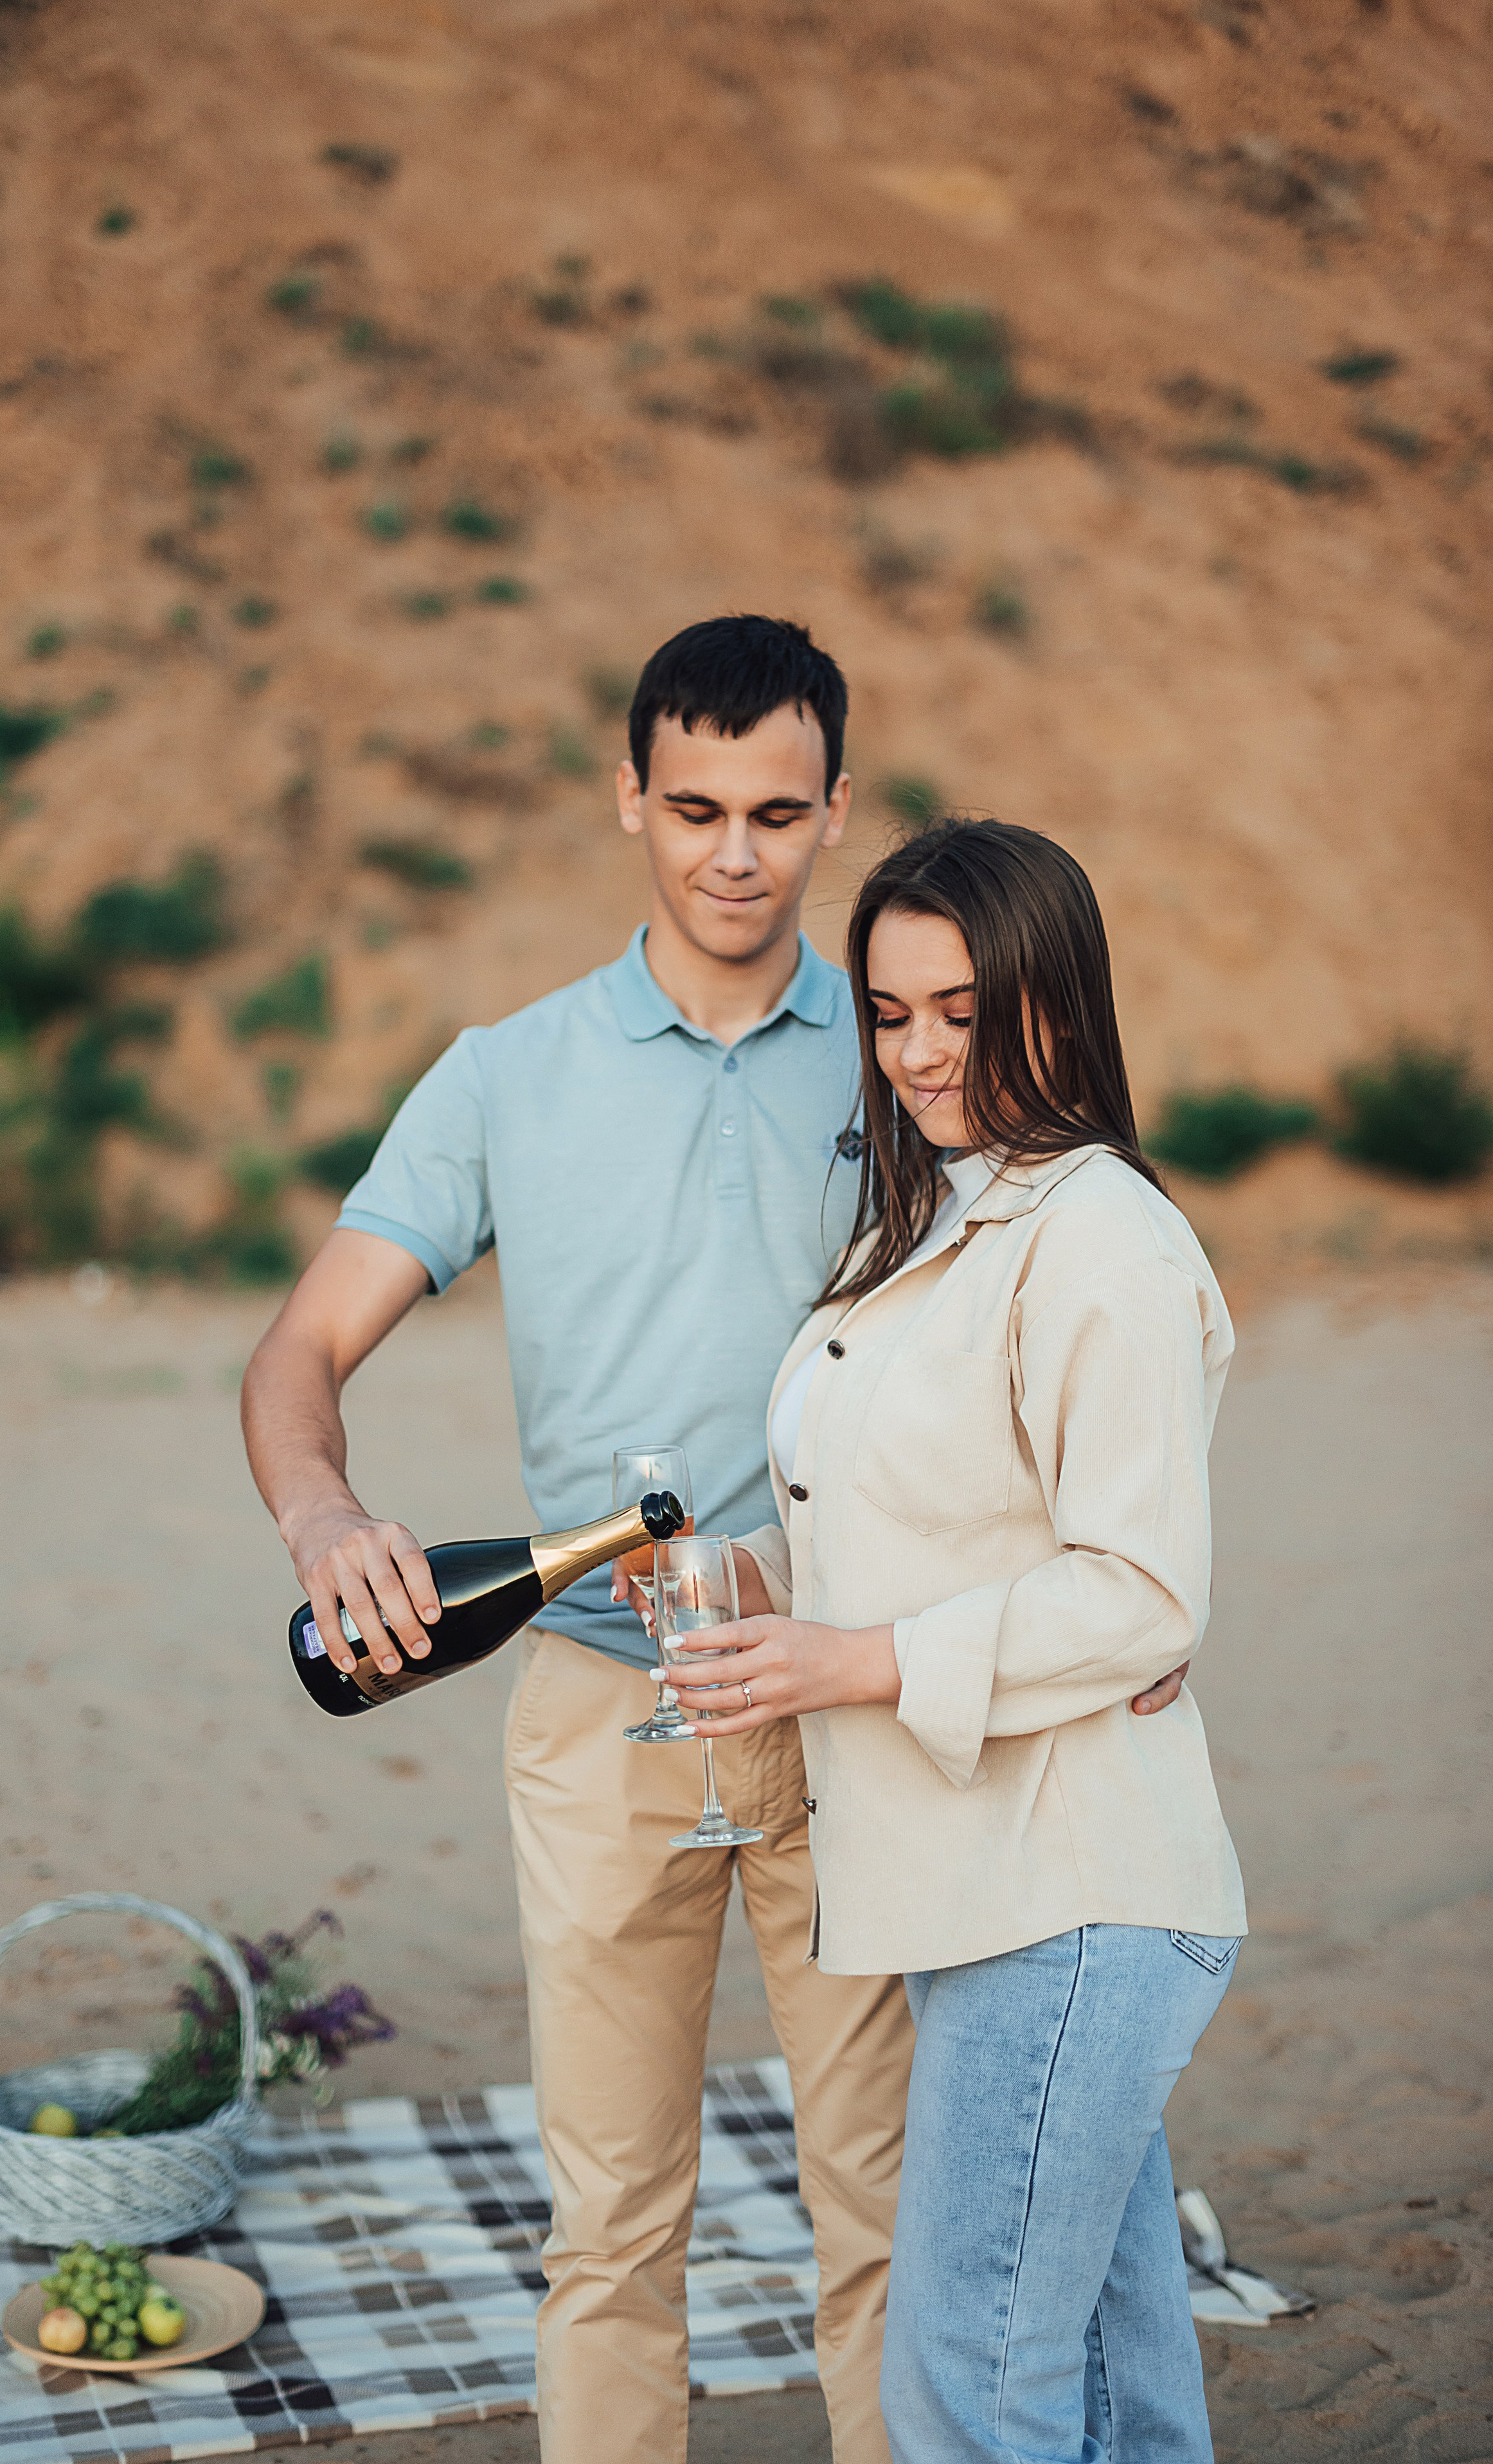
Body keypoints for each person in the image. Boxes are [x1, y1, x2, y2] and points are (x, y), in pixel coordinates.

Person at [242, 616, 920, 2464]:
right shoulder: (503, 1074)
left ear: (837, 812)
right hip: (593, 1712)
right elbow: (300, 1347)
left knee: (888, 2218)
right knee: (612, 2227)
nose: (732, 852)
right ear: (628, 793)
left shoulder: (899, 1058)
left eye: (779, 812)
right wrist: (324, 1508)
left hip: (849, 1706)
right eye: (693, 805)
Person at [658, 817, 1247, 2464]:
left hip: (1072, 1898)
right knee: (1118, 2390)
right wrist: (754, 1580)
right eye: (890, 1011)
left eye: (962, 1011)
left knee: (963, 2391)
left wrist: (846, 1663)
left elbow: (1139, 1591)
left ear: (1055, 1000)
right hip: (982, 1890)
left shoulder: (1100, 1240)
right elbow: (910, 1515)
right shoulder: (931, 1221)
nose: (917, 1051)